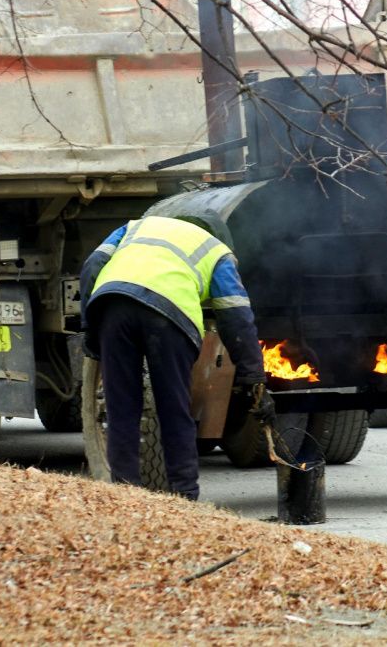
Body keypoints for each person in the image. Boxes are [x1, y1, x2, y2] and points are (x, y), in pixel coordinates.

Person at [79, 212, 276, 500]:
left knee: (121, 408)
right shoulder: (216, 251)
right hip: (169, 316)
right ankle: (184, 494)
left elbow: (92, 265)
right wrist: (252, 375)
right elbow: (235, 315)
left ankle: (124, 495)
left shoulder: (135, 227)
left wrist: (89, 326)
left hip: (114, 306)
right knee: (174, 408)